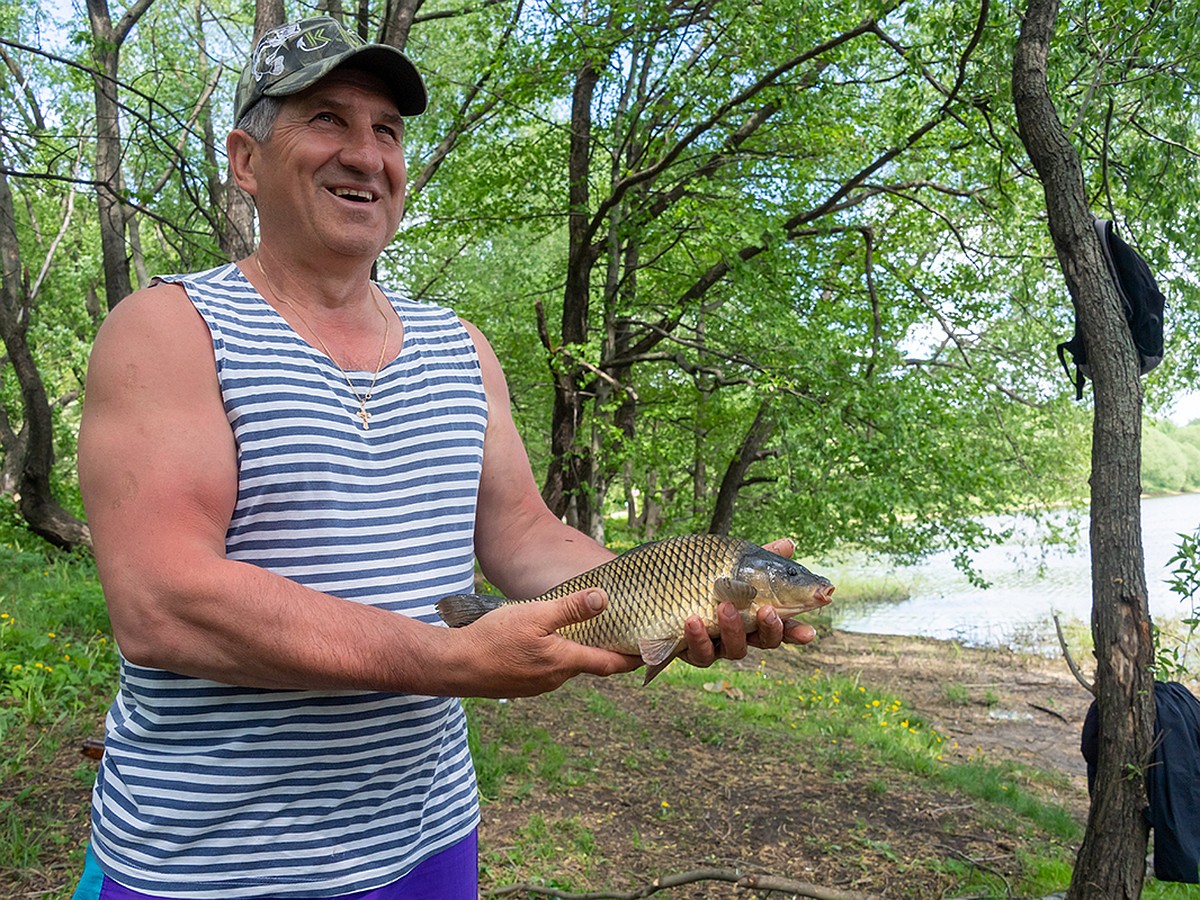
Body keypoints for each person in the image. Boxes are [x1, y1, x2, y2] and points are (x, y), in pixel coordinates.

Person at [72, 16, 815, 900]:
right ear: (245, 158)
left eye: (386, 131)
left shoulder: (458, 345)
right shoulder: (169, 330)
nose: (365, 154)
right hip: (216, 862)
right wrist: (449, 659)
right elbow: (163, 606)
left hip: (431, 840)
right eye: (327, 120)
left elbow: (524, 535)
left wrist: (678, 597)